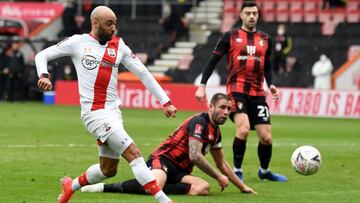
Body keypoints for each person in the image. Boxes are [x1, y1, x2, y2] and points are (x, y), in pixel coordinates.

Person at [35, 6, 177, 203]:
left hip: (113, 113)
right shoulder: (77, 42)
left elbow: (142, 72)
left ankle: (71, 185)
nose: (113, 28)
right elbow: (41, 55)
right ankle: (164, 200)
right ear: (95, 23)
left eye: (115, 24)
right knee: (134, 153)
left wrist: (165, 101)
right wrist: (44, 74)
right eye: (109, 23)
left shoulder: (119, 45)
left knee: (108, 170)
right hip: (94, 114)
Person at [80, 93, 256, 196]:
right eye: (222, 107)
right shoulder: (200, 122)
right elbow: (195, 155)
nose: (226, 113)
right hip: (163, 160)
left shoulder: (216, 132)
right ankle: (104, 187)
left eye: (229, 109)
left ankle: (159, 185)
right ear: (210, 107)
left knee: (202, 188)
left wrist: (242, 187)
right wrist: (218, 177)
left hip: (179, 172)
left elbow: (222, 163)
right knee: (153, 187)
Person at [194, 2, 287, 182]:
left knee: (266, 137)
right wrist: (202, 85)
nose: (252, 16)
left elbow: (268, 67)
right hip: (236, 90)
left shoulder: (266, 39)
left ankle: (264, 171)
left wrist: (272, 84)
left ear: (258, 16)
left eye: (255, 13)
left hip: (258, 92)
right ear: (241, 15)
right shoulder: (230, 36)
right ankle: (237, 170)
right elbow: (212, 61)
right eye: (248, 13)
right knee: (243, 129)